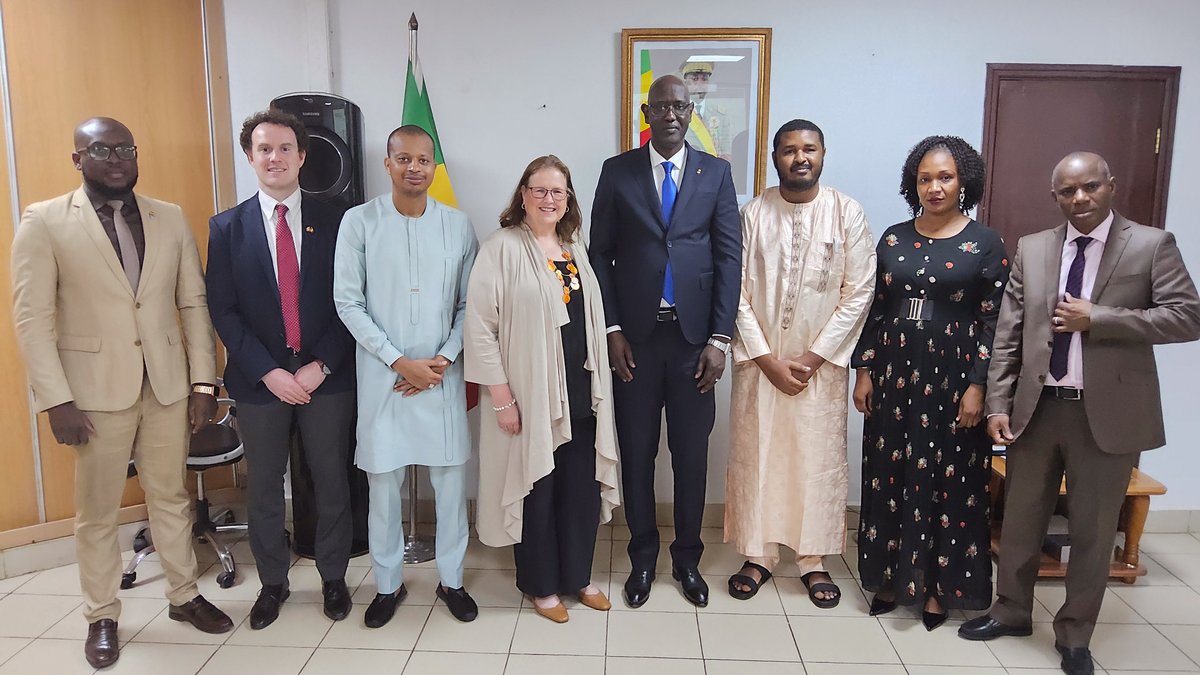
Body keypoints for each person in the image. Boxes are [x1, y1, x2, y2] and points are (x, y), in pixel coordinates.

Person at [958, 152, 1200, 675]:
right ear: (1056, 197)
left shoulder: (1151, 244)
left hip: (1105, 416)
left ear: (1110, 186)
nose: (1080, 199)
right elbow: (1009, 333)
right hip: (1037, 410)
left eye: (1090, 187)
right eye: (1068, 192)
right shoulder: (1035, 248)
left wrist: (1101, 318)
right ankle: (1012, 611)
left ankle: (1074, 636)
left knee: (1092, 533)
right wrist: (998, 401)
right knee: (1020, 521)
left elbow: (1186, 317)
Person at [11, 117, 233, 668]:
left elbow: (192, 305)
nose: (115, 158)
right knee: (97, 512)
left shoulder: (169, 217)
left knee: (171, 498)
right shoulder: (45, 221)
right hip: (89, 396)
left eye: (125, 149)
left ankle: (183, 596)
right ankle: (102, 614)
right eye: (100, 149)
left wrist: (203, 381)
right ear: (78, 159)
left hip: (165, 386)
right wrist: (55, 399)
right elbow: (32, 318)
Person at [591, 74, 741, 608]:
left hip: (694, 342)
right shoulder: (618, 172)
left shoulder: (715, 173)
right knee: (636, 452)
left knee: (691, 457)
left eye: (680, 105)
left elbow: (729, 258)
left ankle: (687, 560)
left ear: (690, 109)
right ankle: (642, 558)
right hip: (634, 341)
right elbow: (599, 256)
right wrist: (611, 329)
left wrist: (720, 339)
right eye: (661, 106)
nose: (671, 114)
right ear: (646, 112)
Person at [206, 110, 357, 629]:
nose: (276, 157)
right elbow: (222, 310)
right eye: (264, 149)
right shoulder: (226, 227)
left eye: (286, 148)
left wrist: (321, 364)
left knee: (332, 480)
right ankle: (273, 584)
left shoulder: (340, 218)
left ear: (302, 156)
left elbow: (353, 301)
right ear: (250, 157)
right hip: (259, 381)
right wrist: (269, 371)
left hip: (326, 378)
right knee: (266, 487)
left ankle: (334, 577)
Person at [851, 135, 1007, 630]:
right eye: (925, 178)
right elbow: (875, 309)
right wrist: (864, 370)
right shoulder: (894, 238)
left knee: (948, 482)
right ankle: (895, 578)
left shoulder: (984, 243)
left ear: (964, 181)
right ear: (912, 184)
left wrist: (979, 386)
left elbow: (994, 320)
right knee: (889, 475)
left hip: (953, 380)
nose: (934, 187)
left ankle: (940, 589)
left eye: (945, 177)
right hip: (896, 376)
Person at [725, 120, 876, 607]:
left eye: (808, 148)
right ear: (775, 157)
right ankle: (759, 553)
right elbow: (735, 293)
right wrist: (767, 360)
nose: (799, 158)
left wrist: (812, 359)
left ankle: (812, 559)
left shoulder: (846, 213)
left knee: (815, 461)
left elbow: (859, 294)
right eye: (789, 150)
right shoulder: (751, 214)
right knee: (760, 455)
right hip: (760, 363)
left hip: (821, 368)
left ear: (823, 153)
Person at [334, 124, 479, 626]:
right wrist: (399, 361)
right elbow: (347, 303)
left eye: (423, 159)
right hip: (383, 380)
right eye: (404, 158)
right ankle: (387, 586)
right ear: (388, 164)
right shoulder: (359, 222)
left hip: (441, 377)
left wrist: (440, 360)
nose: (414, 167)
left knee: (450, 486)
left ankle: (453, 581)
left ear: (434, 165)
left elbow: (471, 303)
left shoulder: (459, 226)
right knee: (383, 490)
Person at [465, 155, 620, 623]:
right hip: (529, 398)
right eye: (540, 190)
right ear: (523, 195)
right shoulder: (502, 248)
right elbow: (479, 327)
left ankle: (579, 576)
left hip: (582, 393)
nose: (549, 199)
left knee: (580, 492)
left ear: (568, 198)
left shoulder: (575, 246)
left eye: (559, 191)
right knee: (539, 490)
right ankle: (541, 585)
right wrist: (502, 398)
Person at [681, 61, 731, 161]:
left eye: (704, 79)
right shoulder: (678, 113)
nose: (700, 84)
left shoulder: (720, 114)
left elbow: (726, 149)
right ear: (686, 83)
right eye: (695, 79)